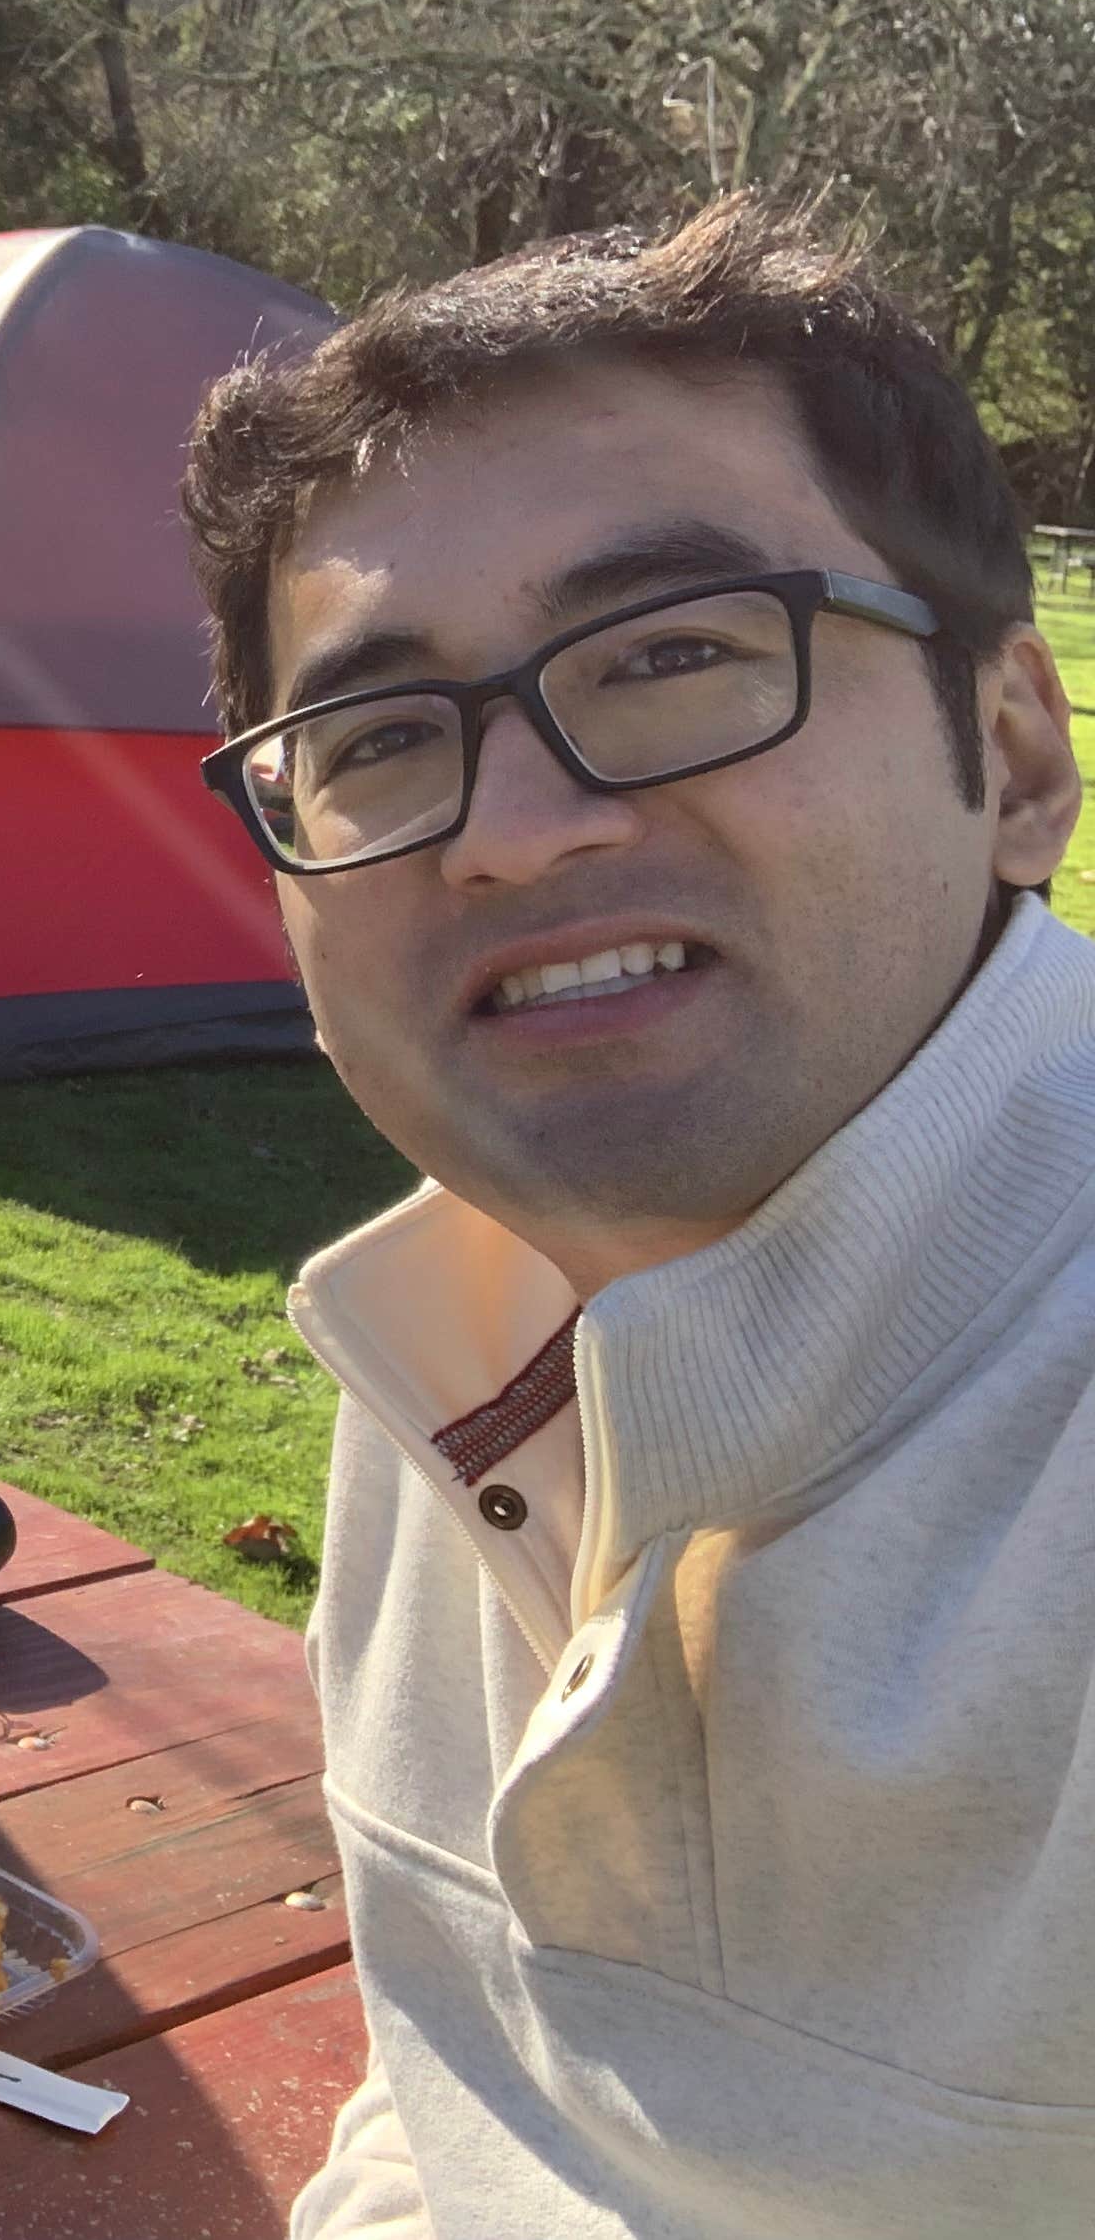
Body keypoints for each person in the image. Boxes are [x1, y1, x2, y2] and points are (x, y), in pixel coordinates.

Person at [179, 196, 1093, 2236]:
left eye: (673, 653)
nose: (516, 831)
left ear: (1009, 753)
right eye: (376, 738)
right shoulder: (455, 1313)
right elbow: (457, 2086)